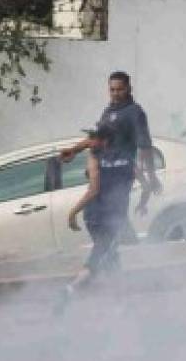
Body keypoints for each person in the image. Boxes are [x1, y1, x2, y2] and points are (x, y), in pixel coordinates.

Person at [54, 71, 159, 312]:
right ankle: (84, 292)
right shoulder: (107, 113)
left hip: (117, 189)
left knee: (111, 249)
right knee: (108, 249)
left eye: (119, 89)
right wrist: (74, 149)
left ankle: (121, 301)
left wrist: (151, 178)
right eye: (111, 89)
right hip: (105, 198)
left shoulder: (135, 113)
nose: (115, 94)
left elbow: (145, 147)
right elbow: (96, 139)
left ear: (129, 88)